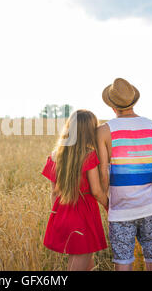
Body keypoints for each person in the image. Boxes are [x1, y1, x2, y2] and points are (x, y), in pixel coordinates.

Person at [97, 78, 152, 271]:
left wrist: (108, 202)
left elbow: (103, 173)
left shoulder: (103, 131)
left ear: (112, 106)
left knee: (123, 263)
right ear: (134, 101)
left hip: (120, 209)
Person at [41, 109, 108, 271]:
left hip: (62, 211)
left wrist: (56, 215)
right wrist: (109, 206)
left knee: (86, 261)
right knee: (80, 259)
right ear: (90, 132)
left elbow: (54, 192)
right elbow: (97, 191)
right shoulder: (89, 155)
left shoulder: (56, 155)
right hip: (84, 214)